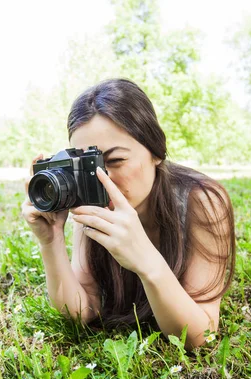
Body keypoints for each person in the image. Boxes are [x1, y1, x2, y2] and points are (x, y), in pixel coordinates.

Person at [20, 78, 235, 351]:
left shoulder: (201, 201)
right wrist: (50, 242)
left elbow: (200, 337)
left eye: (115, 161)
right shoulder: (91, 199)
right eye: (87, 165)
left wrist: (146, 261)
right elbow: (82, 311)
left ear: (156, 152)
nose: (100, 178)